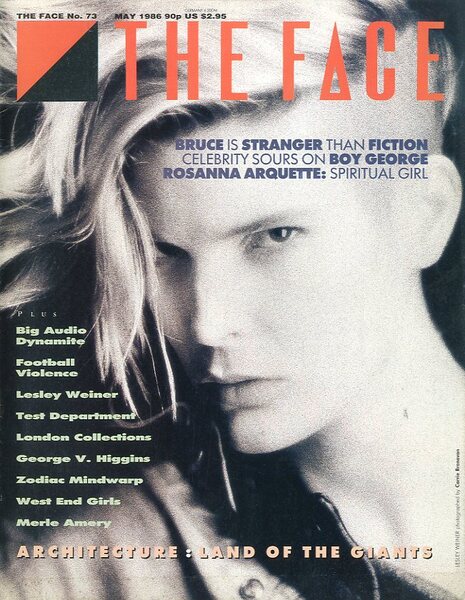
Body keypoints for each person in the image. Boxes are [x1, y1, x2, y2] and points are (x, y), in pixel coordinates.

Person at [1, 1, 464, 598]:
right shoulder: (80, 571)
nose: (207, 324)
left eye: (275, 236)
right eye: (164, 254)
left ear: (424, 214)